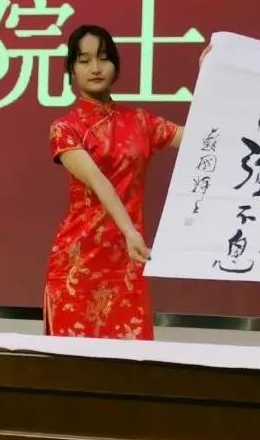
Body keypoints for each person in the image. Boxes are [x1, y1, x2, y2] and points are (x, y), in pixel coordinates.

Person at [44, 24, 205, 339]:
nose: (95, 68)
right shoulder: (65, 128)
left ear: (116, 65)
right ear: (71, 70)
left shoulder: (140, 122)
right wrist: (130, 230)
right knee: (74, 363)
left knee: (130, 361)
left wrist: (208, 82)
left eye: (103, 58)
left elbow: (201, 138)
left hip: (127, 265)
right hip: (78, 266)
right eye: (84, 60)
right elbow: (97, 179)